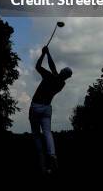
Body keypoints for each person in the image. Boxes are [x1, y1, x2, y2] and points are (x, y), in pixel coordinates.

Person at [29, 46, 72, 174]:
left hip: (36, 106)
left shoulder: (50, 76)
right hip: (47, 108)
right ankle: (52, 155)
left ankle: (41, 159)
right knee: (47, 132)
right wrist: (47, 54)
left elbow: (38, 66)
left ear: (62, 72)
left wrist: (45, 54)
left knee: (36, 135)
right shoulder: (61, 83)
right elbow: (53, 68)